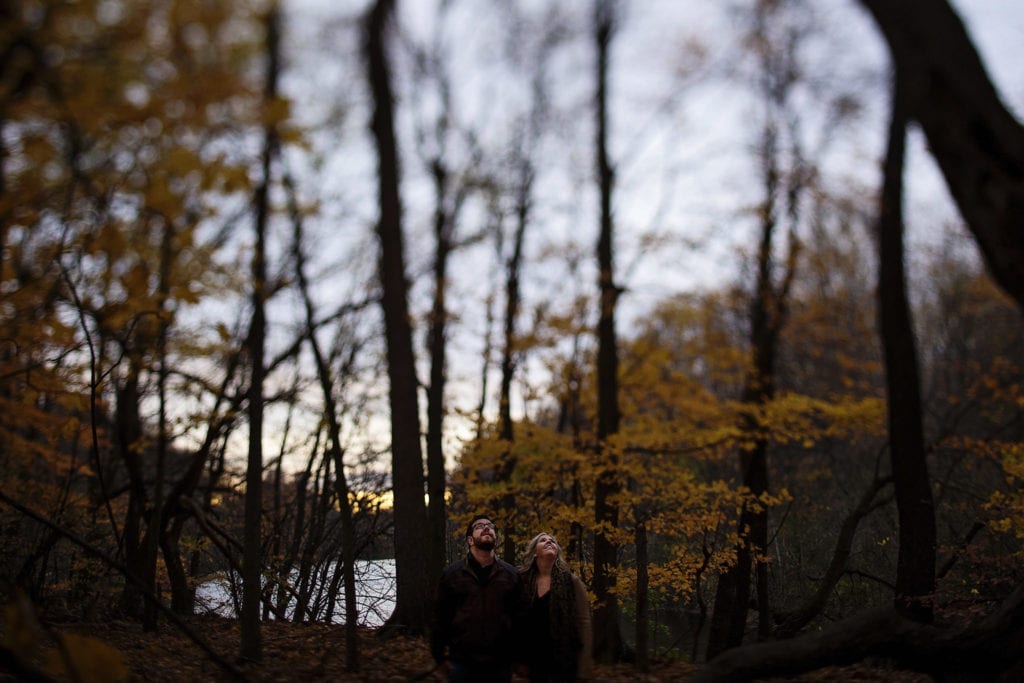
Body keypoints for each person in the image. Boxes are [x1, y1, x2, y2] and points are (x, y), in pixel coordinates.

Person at [431, 514, 524, 682]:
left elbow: (520, 619)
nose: (487, 528)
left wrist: (519, 658)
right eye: (479, 526)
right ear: (470, 540)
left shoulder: (511, 575)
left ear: (496, 537)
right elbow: (440, 617)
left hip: (500, 663)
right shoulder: (452, 574)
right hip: (461, 662)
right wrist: (439, 656)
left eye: (490, 526)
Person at [519, 532, 593, 682]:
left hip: (565, 660)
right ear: (534, 553)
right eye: (543, 540)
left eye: (552, 541)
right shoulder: (522, 581)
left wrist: (584, 666)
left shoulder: (571, 582)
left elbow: (584, 622)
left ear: (557, 551)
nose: (549, 542)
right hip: (533, 662)